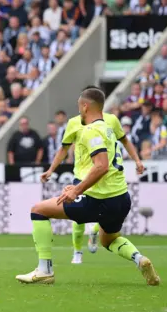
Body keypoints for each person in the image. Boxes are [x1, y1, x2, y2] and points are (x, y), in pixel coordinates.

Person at [16, 87, 159, 286]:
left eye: (79, 106)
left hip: (97, 199)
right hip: (121, 198)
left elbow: (101, 166)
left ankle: (45, 270)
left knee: (38, 210)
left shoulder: (91, 130)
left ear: (85, 106)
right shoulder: (108, 126)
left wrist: (76, 189)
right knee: (108, 240)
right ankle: (139, 258)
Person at [41, 87, 144, 264]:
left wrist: (137, 160)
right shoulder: (75, 123)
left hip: (98, 174)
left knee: (70, 211)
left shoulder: (110, 120)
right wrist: (51, 169)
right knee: (82, 217)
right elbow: (64, 148)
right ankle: (78, 252)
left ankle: (89, 237)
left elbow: (124, 141)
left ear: (86, 105)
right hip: (82, 175)